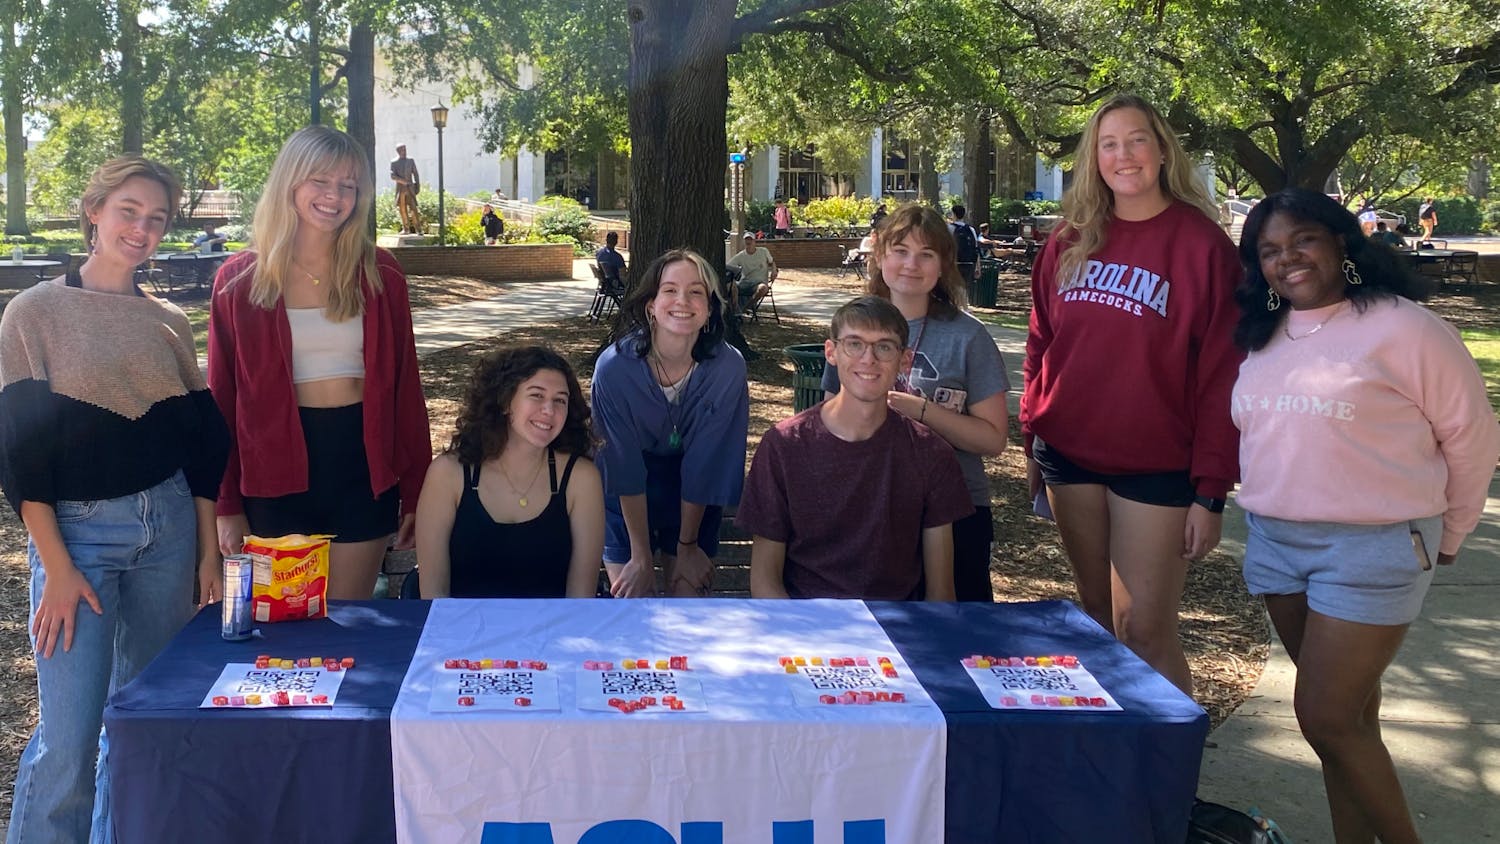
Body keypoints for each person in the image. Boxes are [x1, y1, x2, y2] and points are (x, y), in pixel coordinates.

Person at [1232, 187, 1499, 844]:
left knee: (1324, 716)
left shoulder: (1404, 327)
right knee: (1349, 722)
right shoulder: (1263, 335)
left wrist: (1455, 531)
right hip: (1277, 544)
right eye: (1269, 251)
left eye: (1303, 241)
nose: (1287, 259)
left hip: (1373, 547)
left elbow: (1472, 436)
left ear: (1342, 243)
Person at [0, 156, 229, 842]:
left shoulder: (166, 321)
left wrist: (207, 554)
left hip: (168, 532)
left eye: (157, 218)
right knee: (68, 741)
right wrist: (58, 566)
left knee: (143, 726)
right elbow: (18, 456)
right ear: (94, 210)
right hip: (78, 540)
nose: (142, 228)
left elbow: (201, 446)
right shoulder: (32, 314)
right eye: (129, 210)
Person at [1021, 94, 1243, 695]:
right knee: (1095, 619)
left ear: (1163, 148)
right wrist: (1030, 434)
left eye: (1137, 139)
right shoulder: (1069, 239)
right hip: (1068, 454)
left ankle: (1167, 781)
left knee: (1142, 628)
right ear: (1094, 159)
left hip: (1158, 465)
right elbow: (1041, 341)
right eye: (1109, 144)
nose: (1124, 155)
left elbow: (1223, 375)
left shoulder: (1202, 247)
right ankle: (1111, 766)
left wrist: (1211, 491)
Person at [209, 125, 431, 600]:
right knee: (284, 633)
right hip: (272, 471)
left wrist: (415, 489)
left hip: (361, 466)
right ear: (290, 181)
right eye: (321, 181)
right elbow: (222, 402)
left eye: (348, 186)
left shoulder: (381, 273)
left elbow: (405, 391)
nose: (335, 196)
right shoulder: (239, 281)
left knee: (348, 622)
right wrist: (226, 502)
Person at [823, 204, 1010, 601]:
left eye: (926, 254)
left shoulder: (968, 338)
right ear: (879, 257)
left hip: (960, 507)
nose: (912, 264)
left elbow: (993, 440)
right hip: (868, 503)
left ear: (943, 265)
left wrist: (921, 411)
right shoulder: (852, 325)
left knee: (957, 637)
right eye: (901, 251)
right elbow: (826, 424)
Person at [742, 296, 970, 600]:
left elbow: (941, 594)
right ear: (831, 352)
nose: (868, 359)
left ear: (905, 360)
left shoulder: (931, 453)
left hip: (897, 632)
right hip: (806, 631)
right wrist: (804, 643)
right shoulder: (784, 445)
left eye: (884, 346)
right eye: (854, 344)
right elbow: (765, 583)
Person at [592, 249, 749, 598]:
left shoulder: (727, 368)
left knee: (686, 604)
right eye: (670, 290)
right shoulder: (615, 368)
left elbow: (706, 462)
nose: (683, 300)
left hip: (692, 494)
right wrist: (640, 555)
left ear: (710, 307)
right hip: (625, 496)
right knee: (634, 605)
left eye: (696, 291)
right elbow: (622, 465)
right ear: (651, 303)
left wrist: (687, 546)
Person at [414, 346, 604, 598]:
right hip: (463, 633)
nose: (549, 410)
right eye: (536, 395)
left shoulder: (581, 478)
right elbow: (433, 595)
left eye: (560, 400)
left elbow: (581, 598)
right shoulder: (448, 474)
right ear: (505, 401)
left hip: (552, 633)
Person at [726, 232, 776, 312]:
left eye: (750, 240)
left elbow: (772, 262)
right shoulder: (741, 255)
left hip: (759, 283)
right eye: (746, 240)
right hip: (744, 283)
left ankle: (746, 307)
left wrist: (774, 270)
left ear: (754, 241)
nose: (748, 242)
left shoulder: (763, 251)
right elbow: (728, 265)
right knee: (730, 287)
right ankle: (735, 310)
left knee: (762, 288)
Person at [391, 143, 422, 234]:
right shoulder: (394, 162)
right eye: (402, 150)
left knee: (413, 208)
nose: (405, 151)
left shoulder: (410, 161)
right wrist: (403, 181)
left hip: (410, 189)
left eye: (405, 149)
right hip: (400, 189)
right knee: (402, 209)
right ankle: (406, 229)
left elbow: (415, 173)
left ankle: (419, 229)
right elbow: (392, 176)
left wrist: (417, 185)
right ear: (398, 151)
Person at [949, 203, 981, 283]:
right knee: (965, 289)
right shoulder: (970, 229)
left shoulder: (949, 228)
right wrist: (978, 267)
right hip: (969, 265)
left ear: (953, 214)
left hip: (953, 264)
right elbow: (976, 249)